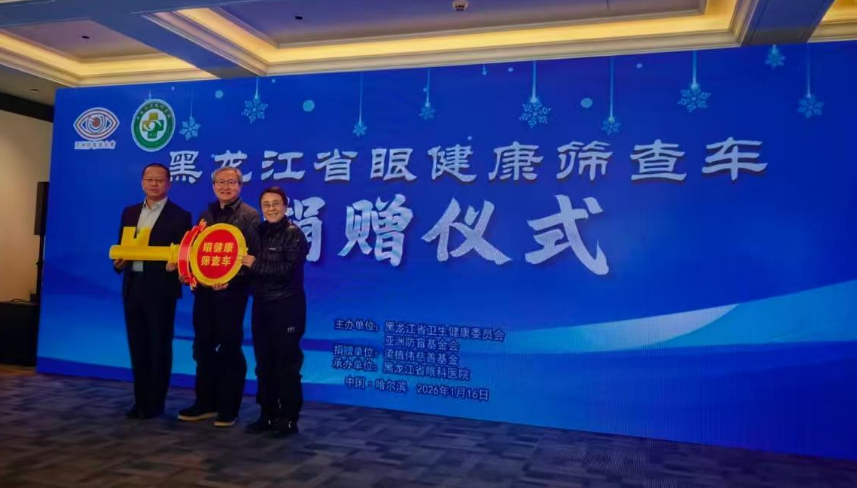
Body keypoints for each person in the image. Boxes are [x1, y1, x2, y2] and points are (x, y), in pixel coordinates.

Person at [178, 167, 260, 427]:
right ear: (213, 185)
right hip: (204, 293)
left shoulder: (250, 216)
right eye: (220, 182)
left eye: (231, 182)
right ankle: (205, 402)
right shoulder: (206, 215)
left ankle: (229, 407)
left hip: (231, 295)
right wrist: (189, 273)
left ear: (240, 185)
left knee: (229, 348)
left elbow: (254, 259)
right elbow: (196, 251)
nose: (225, 187)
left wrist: (231, 280)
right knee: (202, 347)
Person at [114, 163, 192, 420]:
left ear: (169, 184)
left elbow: (183, 254)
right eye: (149, 179)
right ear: (142, 182)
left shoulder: (180, 216)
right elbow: (122, 247)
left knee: (159, 346)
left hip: (161, 290)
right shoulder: (129, 212)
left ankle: (155, 402)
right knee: (137, 347)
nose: (154, 184)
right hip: (133, 286)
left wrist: (177, 263)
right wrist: (119, 263)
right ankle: (140, 401)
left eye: (159, 180)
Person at [242, 186, 308, 437]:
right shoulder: (256, 232)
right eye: (266, 204)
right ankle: (267, 414)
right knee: (264, 364)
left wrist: (255, 264)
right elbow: (246, 267)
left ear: (285, 206)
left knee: (286, 364)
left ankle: (288, 418)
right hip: (261, 305)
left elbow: (287, 271)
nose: (271, 208)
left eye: (276, 203)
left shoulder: (294, 234)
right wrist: (225, 279)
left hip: (287, 305)